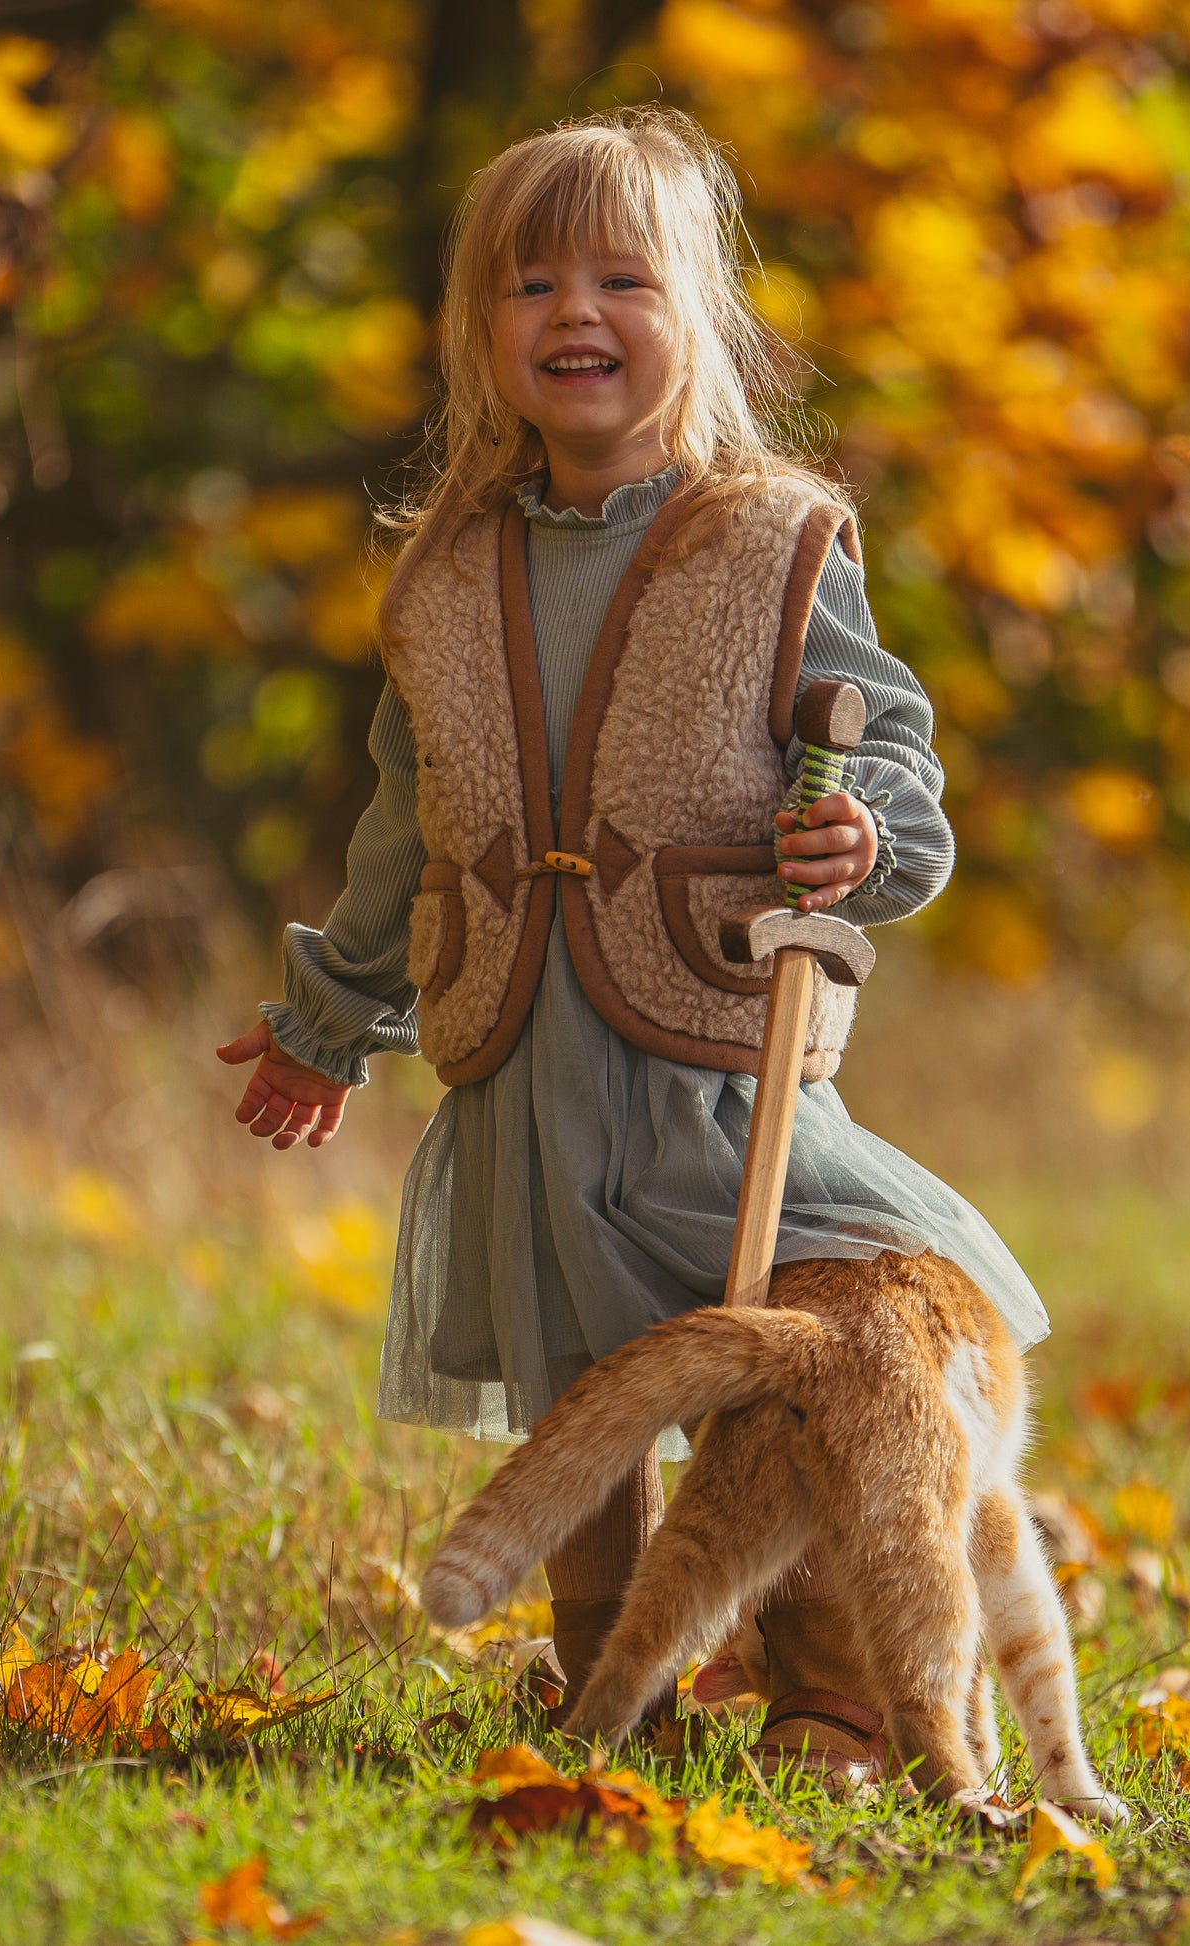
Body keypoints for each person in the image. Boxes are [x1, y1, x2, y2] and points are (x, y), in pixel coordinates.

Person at [218, 105, 1049, 1787]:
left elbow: (881, 743)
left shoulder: (772, 538)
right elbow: (408, 820)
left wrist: (862, 832)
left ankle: (830, 1695)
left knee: (795, 1358)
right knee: (577, 1385)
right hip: (527, 1057)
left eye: (619, 275)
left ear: (697, 315)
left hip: (710, 1057)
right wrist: (328, 1015)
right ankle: (616, 1681)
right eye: (530, 282)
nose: (573, 310)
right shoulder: (448, 573)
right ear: (481, 332)